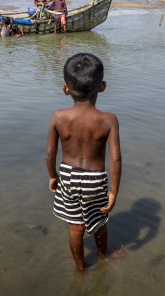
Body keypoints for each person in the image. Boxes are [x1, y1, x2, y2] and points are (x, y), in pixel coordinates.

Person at [45, 53, 122, 272]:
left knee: (75, 227)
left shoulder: (58, 116)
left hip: (68, 176)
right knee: (99, 220)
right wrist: (113, 192)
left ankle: (80, 267)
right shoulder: (108, 120)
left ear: (65, 89)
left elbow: (50, 153)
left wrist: (52, 176)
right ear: (103, 86)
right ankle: (103, 256)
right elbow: (115, 158)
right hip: (95, 179)